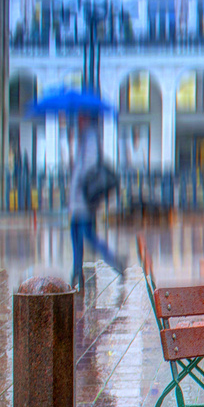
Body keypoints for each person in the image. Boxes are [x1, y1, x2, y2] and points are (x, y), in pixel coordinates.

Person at [68, 112, 125, 289]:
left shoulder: (90, 137)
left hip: (83, 200)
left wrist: (77, 180)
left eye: (80, 116)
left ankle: (114, 262)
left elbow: (88, 167)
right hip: (78, 199)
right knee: (76, 234)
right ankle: (77, 273)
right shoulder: (84, 137)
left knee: (88, 235)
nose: (77, 118)